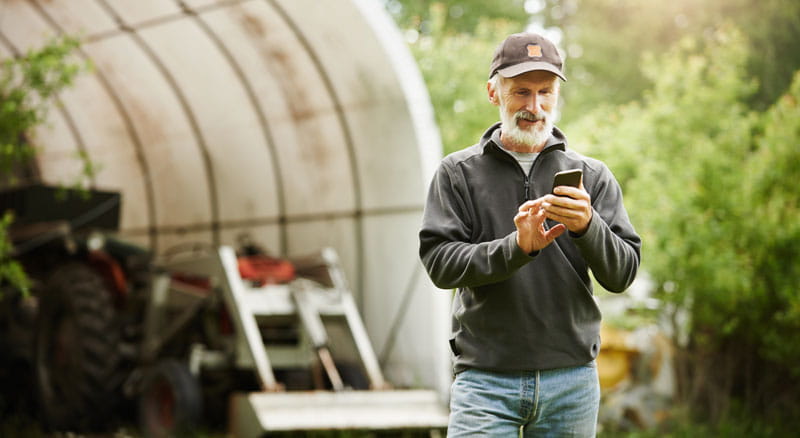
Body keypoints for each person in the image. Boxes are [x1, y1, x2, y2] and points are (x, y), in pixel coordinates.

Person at [418, 32, 642, 437]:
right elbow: (440, 265)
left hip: (571, 382)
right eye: (521, 91)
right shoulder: (457, 174)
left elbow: (622, 274)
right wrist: (517, 247)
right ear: (493, 92)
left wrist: (588, 227)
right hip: (485, 381)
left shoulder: (592, 177)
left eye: (545, 92)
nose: (533, 107)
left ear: (557, 96)